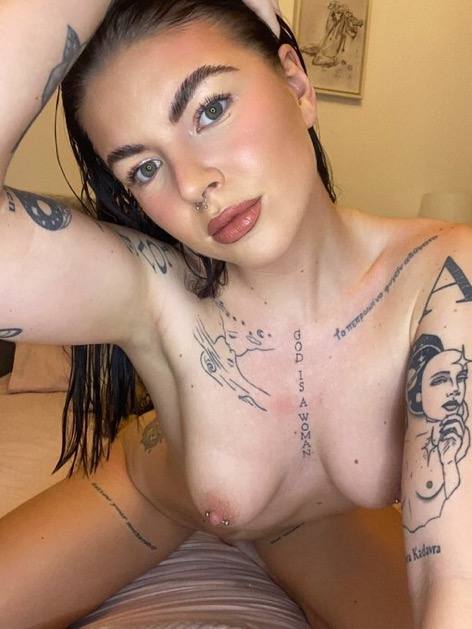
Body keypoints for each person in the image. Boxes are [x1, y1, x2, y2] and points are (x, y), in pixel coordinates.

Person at [0, 0, 471, 627]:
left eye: (211, 110)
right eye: (145, 168)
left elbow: (453, 576)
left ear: (297, 85)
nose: (194, 183)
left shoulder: (444, 277)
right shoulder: (154, 290)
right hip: (152, 495)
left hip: (311, 528)